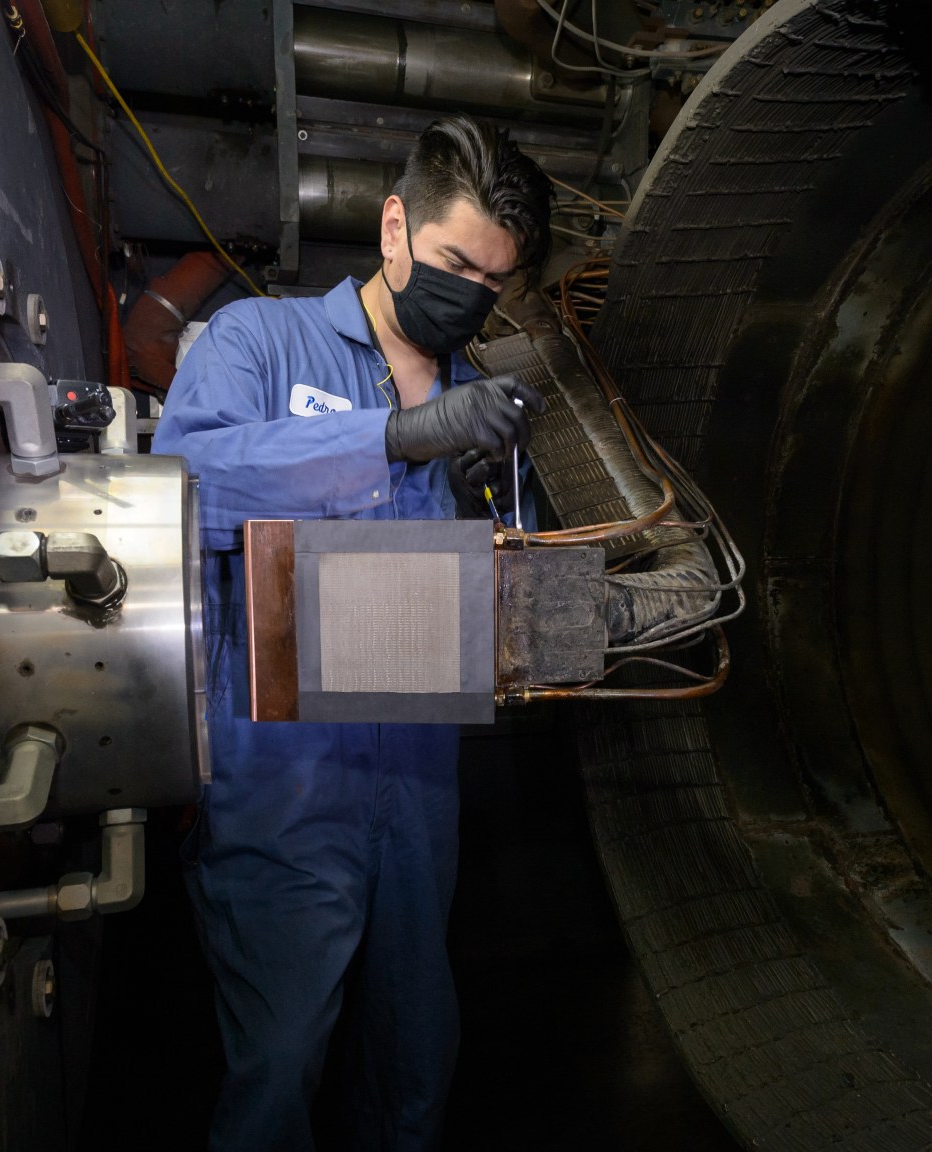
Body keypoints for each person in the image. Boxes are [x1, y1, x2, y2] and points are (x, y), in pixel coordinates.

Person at [151, 113, 552, 1150]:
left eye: (494, 282)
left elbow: (512, 600)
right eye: (456, 261)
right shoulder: (261, 339)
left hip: (418, 800)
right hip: (281, 792)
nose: (470, 294)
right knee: (278, 1073)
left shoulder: (482, 404)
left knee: (413, 1078)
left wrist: (499, 511)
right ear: (392, 228)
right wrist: (390, 435)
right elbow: (184, 488)